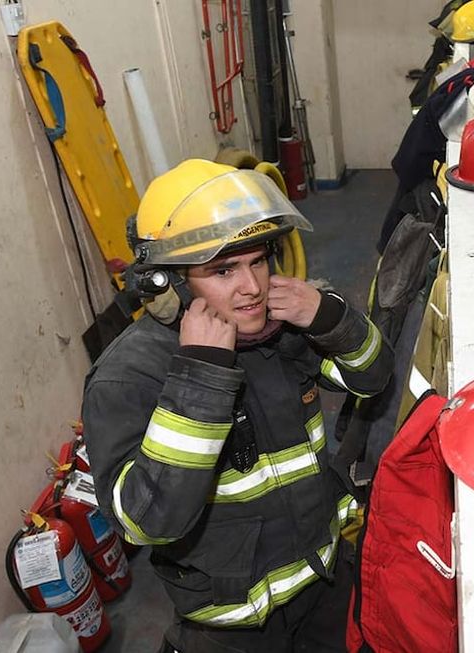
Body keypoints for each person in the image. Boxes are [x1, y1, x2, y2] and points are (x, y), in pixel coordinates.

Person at [81, 159, 392, 652]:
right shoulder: (129, 375)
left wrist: (330, 318)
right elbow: (145, 523)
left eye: (259, 260)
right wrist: (201, 379)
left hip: (322, 581)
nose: (252, 288)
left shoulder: (284, 329)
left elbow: (372, 377)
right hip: (230, 625)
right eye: (223, 270)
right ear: (169, 286)